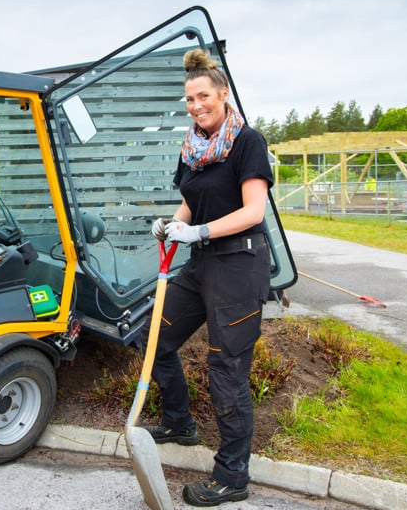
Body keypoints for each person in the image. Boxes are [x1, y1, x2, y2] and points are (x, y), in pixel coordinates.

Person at [145, 48, 272, 507]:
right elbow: (192, 201)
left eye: (204, 97)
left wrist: (196, 230)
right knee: (154, 336)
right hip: (201, 265)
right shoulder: (192, 147)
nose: (196, 106)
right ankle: (179, 422)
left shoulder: (247, 142)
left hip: (239, 266)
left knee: (227, 369)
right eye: (189, 99)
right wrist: (171, 225)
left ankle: (232, 476)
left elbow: (253, 211)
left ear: (223, 95)